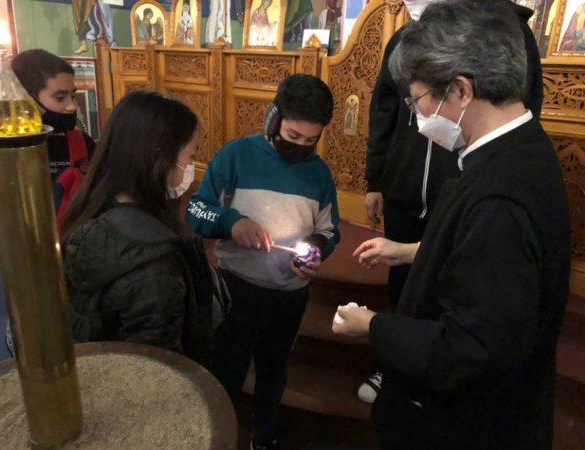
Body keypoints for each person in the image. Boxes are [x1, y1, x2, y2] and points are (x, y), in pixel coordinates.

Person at [334, 1, 570, 449]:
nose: (417, 115)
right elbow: (479, 259)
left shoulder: (500, 196)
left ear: (461, 90)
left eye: (418, 100)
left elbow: (470, 350)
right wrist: (409, 252)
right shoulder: (518, 150)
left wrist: (372, 325)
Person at [186, 74, 340, 450]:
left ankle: (264, 437)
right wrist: (232, 222)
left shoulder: (319, 173)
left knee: (274, 373)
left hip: (289, 296)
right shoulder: (236, 155)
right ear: (274, 119)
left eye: (310, 140)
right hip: (237, 289)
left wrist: (316, 247)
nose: (300, 147)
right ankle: (217, 436)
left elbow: (330, 230)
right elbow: (196, 210)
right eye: (292, 136)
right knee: (227, 371)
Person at [61, 90, 218, 365]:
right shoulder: (154, 266)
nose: (190, 167)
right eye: (190, 156)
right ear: (161, 158)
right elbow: (155, 367)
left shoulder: (90, 208)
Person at [11, 49, 96, 225]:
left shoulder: (81, 142)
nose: (71, 106)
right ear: (26, 98)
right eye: (60, 97)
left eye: (73, 96)